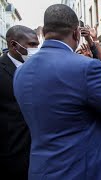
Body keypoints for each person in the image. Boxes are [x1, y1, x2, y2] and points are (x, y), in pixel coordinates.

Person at [13, 4, 101, 180]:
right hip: (84, 171)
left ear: (43, 33)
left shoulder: (21, 71)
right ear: (76, 33)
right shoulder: (86, 67)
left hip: (42, 170)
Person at [0, 25, 39, 180]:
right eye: (31, 45)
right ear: (14, 45)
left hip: (38, 154)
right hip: (10, 156)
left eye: (37, 44)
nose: (36, 49)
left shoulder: (37, 69)